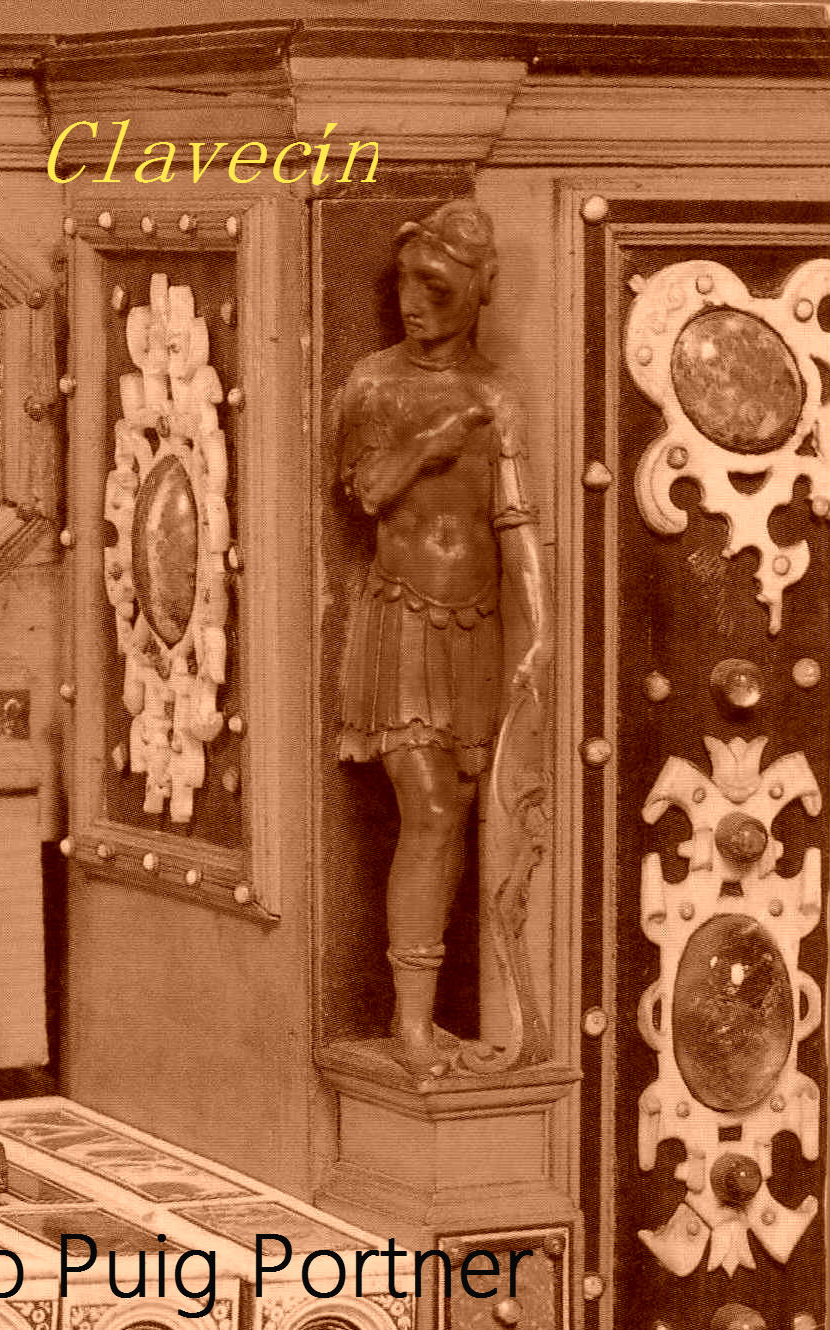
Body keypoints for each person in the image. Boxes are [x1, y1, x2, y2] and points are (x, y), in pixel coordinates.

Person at [331, 201, 550, 1079]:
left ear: (479, 289)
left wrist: (539, 630)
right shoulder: (373, 384)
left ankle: (430, 1009)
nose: (413, 304)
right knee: (425, 812)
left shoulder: (498, 394)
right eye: (405, 286)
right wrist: (431, 442)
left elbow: (516, 523)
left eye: (436, 288)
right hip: (403, 620)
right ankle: (410, 1024)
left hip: (476, 628)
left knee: (456, 814)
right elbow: (367, 491)